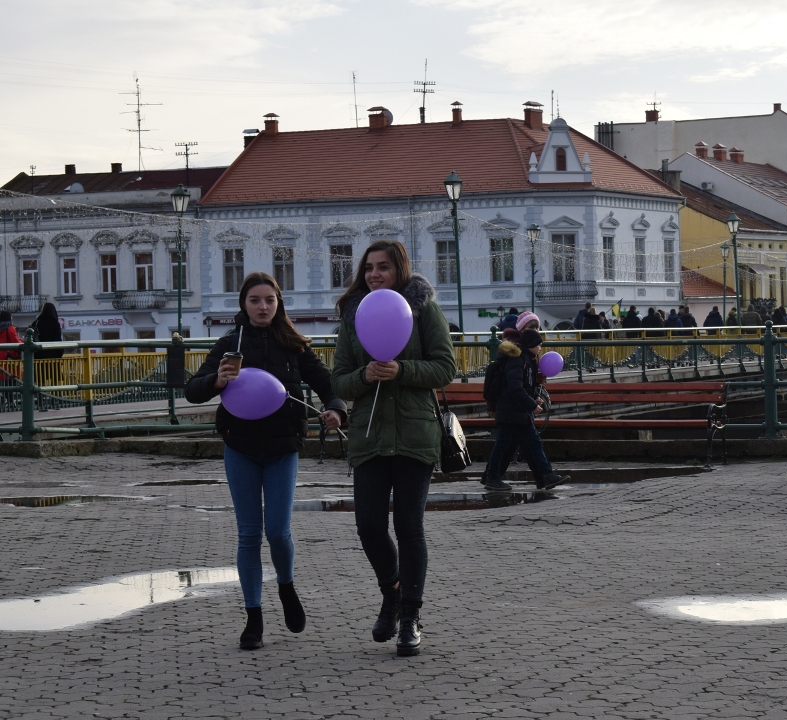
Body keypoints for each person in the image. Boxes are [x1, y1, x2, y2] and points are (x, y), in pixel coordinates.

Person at [186, 272, 347, 651]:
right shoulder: (229, 344)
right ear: (243, 304)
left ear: (279, 303)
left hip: (282, 446)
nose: (263, 307)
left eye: (269, 300)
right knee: (248, 535)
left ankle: (286, 586)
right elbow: (193, 390)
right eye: (255, 300)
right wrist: (216, 381)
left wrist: (336, 408)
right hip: (240, 447)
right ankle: (253, 616)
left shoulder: (294, 344)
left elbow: (326, 383)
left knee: (277, 531)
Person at [331, 239, 456, 657]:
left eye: (382, 267)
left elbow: (445, 367)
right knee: (368, 525)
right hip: (368, 437)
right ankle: (392, 591)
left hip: (415, 434)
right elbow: (339, 380)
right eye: (368, 268)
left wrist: (401, 369)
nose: (374, 275)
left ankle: (410, 616)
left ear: (399, 269)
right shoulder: (354, 315)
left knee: (408, 526)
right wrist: (365, 376)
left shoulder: (422, 309)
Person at [482, 328, 568, 492]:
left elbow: (525, 385)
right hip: (512, 411)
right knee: (508, 445)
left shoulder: (527, 360)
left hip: (516, 411)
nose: (540, 348)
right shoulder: (518, 360)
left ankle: (545, 475)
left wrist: (534, 396)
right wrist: (532, 405)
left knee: (518, 444)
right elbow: (515, 387)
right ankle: (493, 477)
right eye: (538, 345)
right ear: (531, 345)